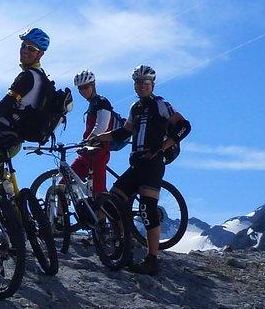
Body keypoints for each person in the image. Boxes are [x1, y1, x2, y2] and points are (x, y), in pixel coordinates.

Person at [108, 64, 191, 276]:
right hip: (136, 164)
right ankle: (120, 244)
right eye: (138, 82)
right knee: (113, 200)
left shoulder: (161, 104)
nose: (142, 86)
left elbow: (184, 126)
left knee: (147, 209)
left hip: (153, 164)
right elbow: (124, 132)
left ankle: (152, 259)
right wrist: (97, 139)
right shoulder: (135, 108)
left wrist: (164, 147)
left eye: (146, 82)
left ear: (152, 84)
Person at [0, 27, 55, 198]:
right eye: (24, 46)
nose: (25, 50)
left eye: (31, 48)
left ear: (40, 54)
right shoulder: (41, 76)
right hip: (16, 136)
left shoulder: (28, 76)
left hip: (5, 135)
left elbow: (6, 104)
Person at [70, 70, 115, 194]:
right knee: (65, 184)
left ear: (93, 85)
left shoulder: (102, 102)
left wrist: (88, 140)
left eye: (86, 87)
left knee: (98, 193)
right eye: (80, 88)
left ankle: (104, 213)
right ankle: (58, 213)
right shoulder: (92, 104)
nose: (83, 90)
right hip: (86, 152)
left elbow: (102, 126)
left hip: (99, 151)